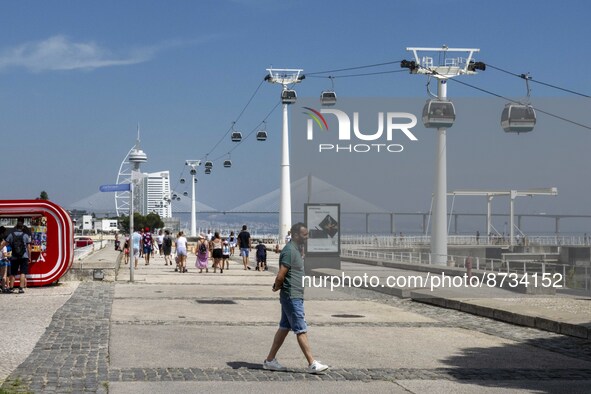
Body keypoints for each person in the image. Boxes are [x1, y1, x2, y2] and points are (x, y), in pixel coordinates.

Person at [263, 223, 328, 374]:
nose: (307, 237)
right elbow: (281, 274)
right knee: (301, 329)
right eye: (305, 235)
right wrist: (277, 286)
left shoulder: (296, 249)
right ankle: (312, 363)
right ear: (296, 235)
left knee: (284, 328)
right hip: (292, 295)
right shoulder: (289, 251)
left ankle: (270, 360)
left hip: (293, 295)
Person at [0, 218, 32, 294]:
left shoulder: (11, 235)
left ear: (16, 227)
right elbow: (28, 247)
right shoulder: (26, 235)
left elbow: (4, 243)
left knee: (13, 273)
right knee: (23, 272)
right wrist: (29, 256)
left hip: (14, 256)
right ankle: (21, 288)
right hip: (24, 256)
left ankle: (11, 288)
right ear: (22, 227)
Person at [0, 226, 9, 293]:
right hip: (3, 261)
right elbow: (5, 254)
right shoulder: (3, 244)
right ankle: (3, 288)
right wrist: (9, 255)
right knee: (4, 275)